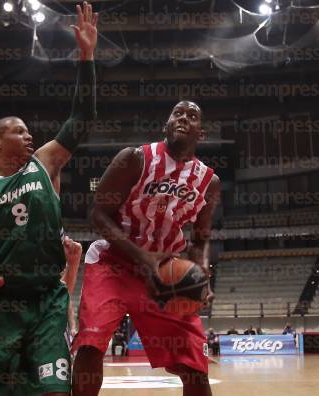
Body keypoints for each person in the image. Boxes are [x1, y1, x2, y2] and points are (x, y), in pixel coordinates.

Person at [0, 4, 97, 395]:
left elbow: (82, 119)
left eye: (29, 132)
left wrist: (87, 57)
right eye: (19, 131)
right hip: (1, 307)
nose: (29, 136)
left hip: (47, 302)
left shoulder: (44, 163)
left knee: (53, 391)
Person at [72, 100, 221, 396]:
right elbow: (98, 214)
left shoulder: (208, 181)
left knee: (194, 365)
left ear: (200, 133)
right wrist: (142, 257)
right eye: (177, 113)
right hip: (112, 263)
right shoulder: (135, 158)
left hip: (164, 274)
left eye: (192, 116)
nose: (183, 119)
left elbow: (200, 239)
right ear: (165, 125)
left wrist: (201, 272)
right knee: (91, 343)